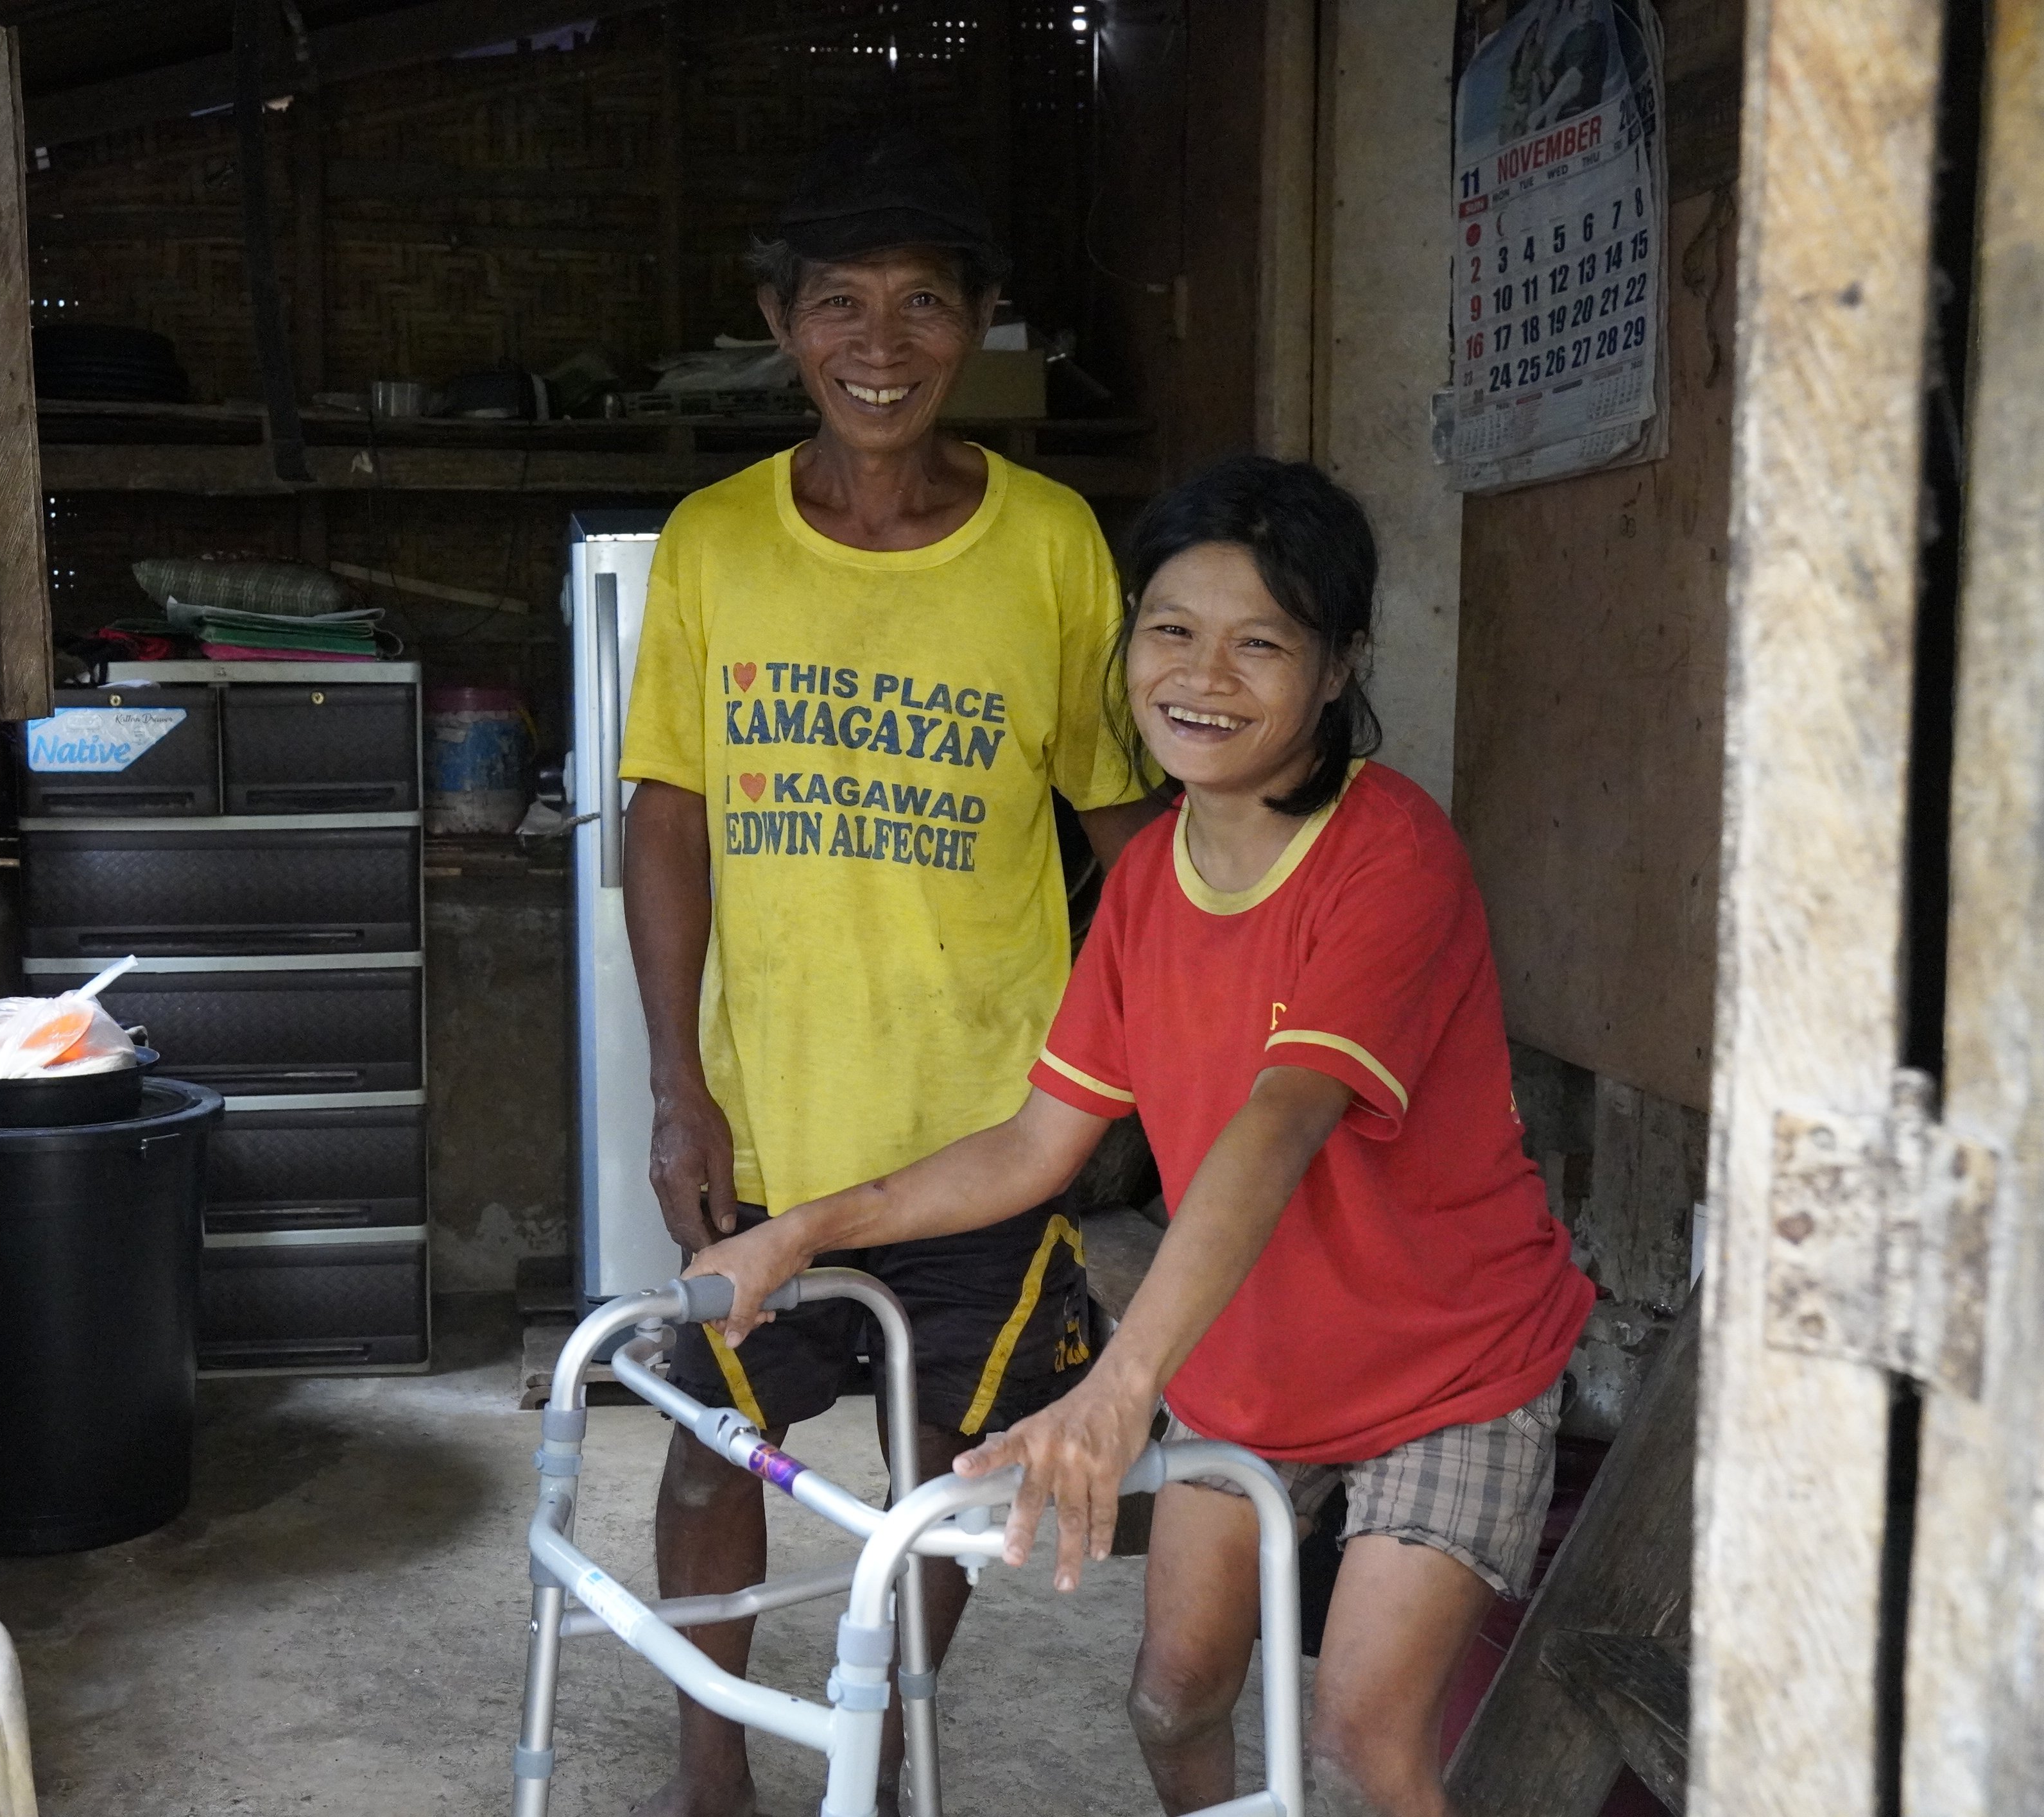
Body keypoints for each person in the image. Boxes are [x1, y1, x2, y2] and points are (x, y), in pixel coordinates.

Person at [685, 456, 1596, 1817]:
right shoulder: (1144, 887)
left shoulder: (1386, 854)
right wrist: (800, 1233)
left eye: (1259, 644)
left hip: (1445, 1362)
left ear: (1337, 668)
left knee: (1361, 1731)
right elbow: (1032, 1147)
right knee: (1171, 1701)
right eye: (1171, 631)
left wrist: (1117, 1385)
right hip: (1250, 1363)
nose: (1202, 677)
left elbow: (1279, 1122)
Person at [615, 128, 1165, 1817]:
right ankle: (719, 1774)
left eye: (926, 305)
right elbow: (665, 818)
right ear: (781, 323)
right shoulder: (714, 543)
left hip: (988, 1133)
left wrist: (1168, 1070)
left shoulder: (1055, 544)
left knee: (947, 1484)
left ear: (983, 325)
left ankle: (884, 1737)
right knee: (717, 1462)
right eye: (839, 305)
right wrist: (676, 1086)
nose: (881, 344)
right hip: (769, 1132)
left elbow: (1126, 832)